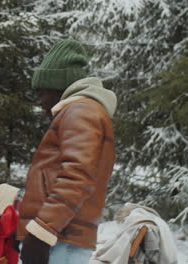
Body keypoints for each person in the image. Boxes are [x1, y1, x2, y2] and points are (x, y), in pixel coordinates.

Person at [17, 39, 117, 264]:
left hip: (59, 239)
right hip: (61, 236)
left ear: (58, 85)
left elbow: (77, 176)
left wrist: (41, 231)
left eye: (42, 92)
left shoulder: (80, 111)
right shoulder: (84, 112)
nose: (41, 102)